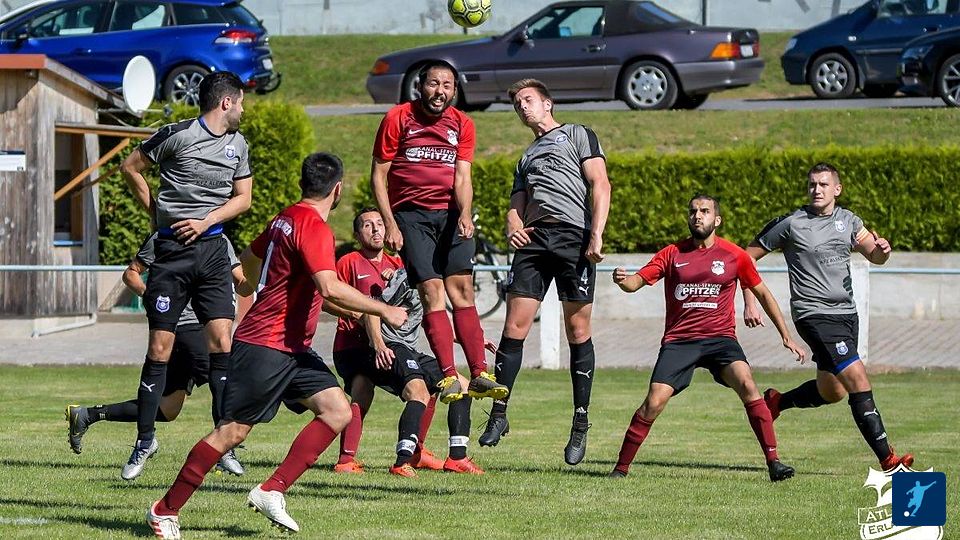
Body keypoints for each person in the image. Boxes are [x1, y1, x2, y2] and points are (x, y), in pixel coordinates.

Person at [144, 153, 407, 539]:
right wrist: (384, 309)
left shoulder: (286, 217)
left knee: (338, 411)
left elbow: (250, 258)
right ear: (337, 190)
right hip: (265, 346)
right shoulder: (314, 228)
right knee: (231, 433)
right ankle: (164, 510)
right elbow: (328, 286)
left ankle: (272, 490)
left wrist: (251, 286)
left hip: (293, 349)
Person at [609, 195, 803, 482]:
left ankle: (774, 462)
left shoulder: (734, 255)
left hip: (720, 340)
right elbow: (636, 282)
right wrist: (623, 280)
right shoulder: (672, 253)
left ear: (717, 219)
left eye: (704, 211)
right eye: (693, 211)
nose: (697, 216)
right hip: (680, 341)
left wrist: (786, 336)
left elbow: (763, 293)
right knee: (654, 402)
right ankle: (620, 469)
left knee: (748, 384)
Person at [119, 71, 252, 480]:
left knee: (222, 342)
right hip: (171, 253)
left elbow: (243, 199)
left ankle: (224, 443)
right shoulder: (176, 135)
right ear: (226, 102)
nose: (244, 109)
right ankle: (145, 440)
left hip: (212, 251)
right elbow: (130, 167)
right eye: (241, 102)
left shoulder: (238, 145)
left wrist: (207, 220)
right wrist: (156, 214)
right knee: (160, 347)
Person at [743, 162, 914, 471]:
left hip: (847, 314)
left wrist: (883, 251)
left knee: (832, 391)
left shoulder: (849, 221)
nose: (817, 190)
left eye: (823, 184)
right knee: (857, 378)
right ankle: (888, 460)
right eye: (812, 184)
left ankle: (777, 402)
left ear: (837, 189)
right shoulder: (791, 223)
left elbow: (874, 255)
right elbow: (744, 258)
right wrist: (749, 301)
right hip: (813, 314)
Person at [479, 78, 611, 467]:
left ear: (547, 103)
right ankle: (499, 413)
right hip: (535, 241)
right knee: (514, 327)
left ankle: (580, 422)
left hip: (573, 238)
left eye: (528, 100)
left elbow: (601, 184)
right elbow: (515, 205)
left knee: (578, 331)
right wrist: (512, 226)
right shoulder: (526, 157)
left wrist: (596, 234)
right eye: (517, 104)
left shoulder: (578, 135)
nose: (522, 107)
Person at [370, 59, 507, 403]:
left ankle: (480, 373)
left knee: (462, 290)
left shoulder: (463, 123)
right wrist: (390, 223)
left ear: (455, 90)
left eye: (447, 85)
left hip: (450, 216)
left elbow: (463, 176)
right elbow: (379, 175)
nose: (439, 91)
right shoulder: (398, 118)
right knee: (432, 291)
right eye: (433, 84)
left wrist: (465, 214)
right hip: (411, 217)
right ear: (420, 86)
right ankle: (448, 375)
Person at [67, 232, 252, 475]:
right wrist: (154, 299)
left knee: (168, 409)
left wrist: (259, 279)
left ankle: (88, 415)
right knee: (230, 384)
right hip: (189, 329)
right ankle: (223, 450)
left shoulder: (218, 237)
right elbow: (131, 274)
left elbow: (240, 281)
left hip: (200, 330)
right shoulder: (164, 236)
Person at [328, 208, 443, 473]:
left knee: (430, 384)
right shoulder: (349, 262)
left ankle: (416, 452)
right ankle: (347, 460)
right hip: (352, 345)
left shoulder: (398, 266)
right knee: (363, 389)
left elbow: (418, 309)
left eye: (380, 223)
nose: (376, 229)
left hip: (388, 345)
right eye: (367, 225)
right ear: (357, 235)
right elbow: (324, 298)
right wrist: (354, 313)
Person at [362, 266, 486, 476]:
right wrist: (379, 346)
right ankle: (402, 462)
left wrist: (472, 341)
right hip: (391, 346)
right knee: (418, 392)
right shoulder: (408, 276)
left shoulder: (434, 281)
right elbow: (372, 309)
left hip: (409, 350)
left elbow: (435, 324)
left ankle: (457, 458)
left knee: (462, 386)